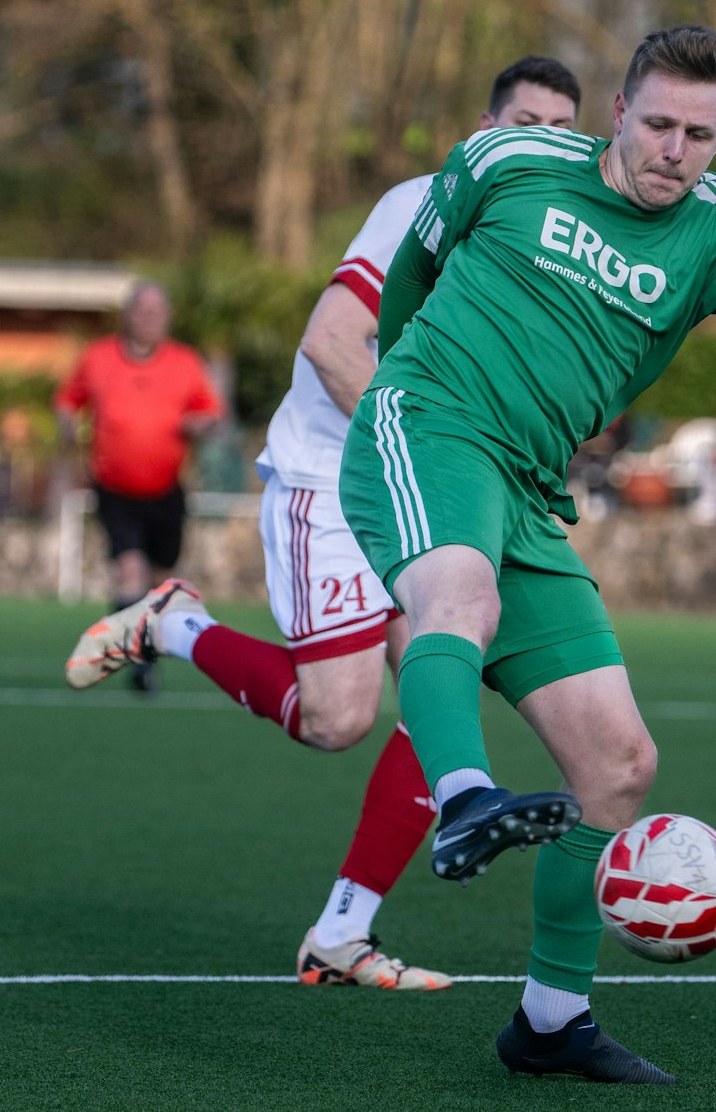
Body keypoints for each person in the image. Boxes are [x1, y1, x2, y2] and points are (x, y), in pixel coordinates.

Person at [345, 24, 716, 1083]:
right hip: (430, 426)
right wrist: (405, 387)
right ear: (618, 112)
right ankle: (460, 803)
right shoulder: (506, 161)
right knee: (458, 599)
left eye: (700, 134)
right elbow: (411, 278)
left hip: (533, 495)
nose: (677, 149)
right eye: (661, 123)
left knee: (618, 766)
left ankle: (547, 1021)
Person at [62, 58, 584, 989]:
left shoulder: (545, 239)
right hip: (336, 480)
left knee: (438, 699)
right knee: (337, 719)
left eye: (559, 132)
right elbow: (332, 341)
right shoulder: (424, 202)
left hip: (428, 491)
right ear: (483, 127)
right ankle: (170, 623)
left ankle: (343, 931)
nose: (540, 144)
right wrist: (424, 450)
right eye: (526, 124)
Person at [55, 282, 222, 693]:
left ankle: (142, 646)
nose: (149, 318)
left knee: (161, 581)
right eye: (142, 311)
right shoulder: (97, 358)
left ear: (167, 318)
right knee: (129, 568)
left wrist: (201, 425)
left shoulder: (183, 362)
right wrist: (67, 425)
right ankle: (138, 664)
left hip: (166, 489)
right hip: (114, 487)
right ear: (127, 315)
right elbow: (67, 400)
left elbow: (210, 410)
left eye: (157, 312)